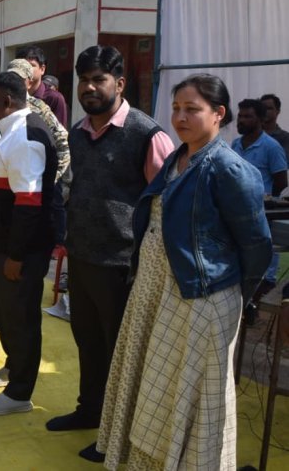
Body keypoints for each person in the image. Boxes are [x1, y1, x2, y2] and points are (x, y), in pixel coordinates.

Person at [97, 74, 272, 468]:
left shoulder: (230, 168)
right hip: (158, 291)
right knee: (157, 391)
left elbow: (256, 244)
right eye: (176, 108)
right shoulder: (178, 157)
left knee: (191, 395)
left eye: (192, 109)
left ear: (218, 114)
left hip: (201, 298)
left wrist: (234, 292)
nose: (180, 117)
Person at [48, 46, 174, 452]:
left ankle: (120, 437)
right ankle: (91, 411)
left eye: (99, 79)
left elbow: (166, 204)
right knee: (88, 341)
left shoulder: (147, 134)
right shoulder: (80, 133)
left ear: (119, 84)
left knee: (123, 350)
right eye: (84, 79)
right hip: (83, 257)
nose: (89, 87)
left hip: (123, 265)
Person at [0, 71, 57, 416]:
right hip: (8, 246)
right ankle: (15, 374)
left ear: (7, 101)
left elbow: (29, 202)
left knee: (21, 319)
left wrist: (17, 255)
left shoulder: (24, 136)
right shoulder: (14, 132)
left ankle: (20, 393)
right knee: (10, 316)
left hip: (19, 250)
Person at [231, 98, 287, 316]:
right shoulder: (236, 144)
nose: (242, 120)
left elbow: (281, 183)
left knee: (260, 266)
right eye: (240, 116)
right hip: (235, 213)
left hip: (259, 215)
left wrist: (265, 200)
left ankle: (254, 304)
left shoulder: (271, 148)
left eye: (248, 116)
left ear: (261, 120)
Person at [16, 45, 68, 128]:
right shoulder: (13, 95)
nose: (25, 69)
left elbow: (60, 135)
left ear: (42, 69)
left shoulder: (54, 98)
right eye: (22, 66)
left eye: (31, 65)